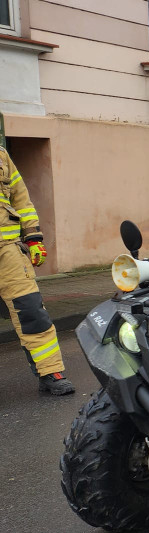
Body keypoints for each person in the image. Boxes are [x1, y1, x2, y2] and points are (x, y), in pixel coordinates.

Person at [0, 149, 75, 395]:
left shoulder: (1, 155)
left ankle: (50, 371)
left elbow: (21, 198)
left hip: (7, 253)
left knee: (32, 311)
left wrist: (33, 237)